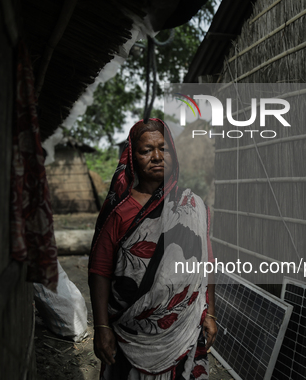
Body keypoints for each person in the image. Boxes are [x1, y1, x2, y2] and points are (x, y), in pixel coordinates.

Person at [88, 118, 217, 380]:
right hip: (130, 331)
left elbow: (207, 265)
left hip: (184, 326)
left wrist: (210, 313)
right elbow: (99, 270)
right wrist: (101, 326)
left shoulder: (193, 206)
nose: (157, 157)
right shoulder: (119, 211)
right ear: (132, 158)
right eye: (146, 150)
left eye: (163, 148)